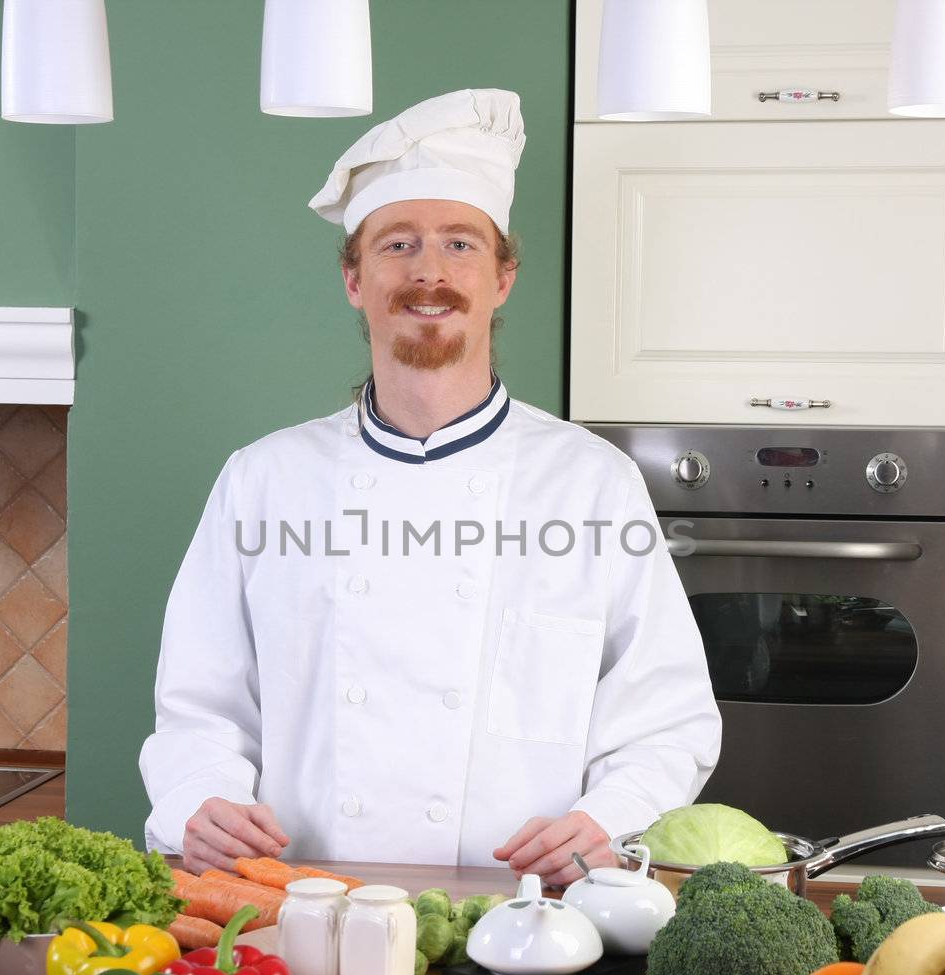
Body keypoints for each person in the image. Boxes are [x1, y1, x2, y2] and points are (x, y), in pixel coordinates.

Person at [140, 88, 719, 888]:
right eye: (398, 244)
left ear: (504, 275)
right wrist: (199, 798)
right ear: (353, 278)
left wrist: (608, 819)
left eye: (459, 244)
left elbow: (668, 714)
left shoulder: (594, 487)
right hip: (302, 914)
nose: (429, 273)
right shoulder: (263, 481)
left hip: (530, 920)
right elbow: (198, 708)